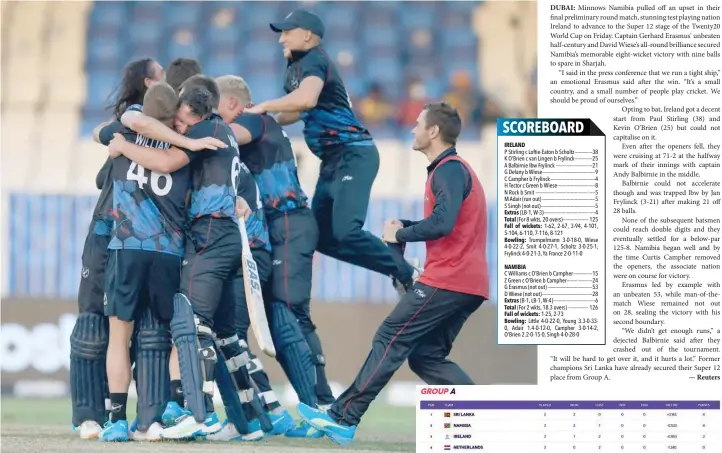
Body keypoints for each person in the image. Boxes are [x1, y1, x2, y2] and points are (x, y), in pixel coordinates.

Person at [296, 103, 489, 446]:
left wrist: (399, 235)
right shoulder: (455, 170)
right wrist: (407, 226)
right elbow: (449, 223)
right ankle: (489, 420)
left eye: (418, 124)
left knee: (389, 338)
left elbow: (442, 224)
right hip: (470, 284)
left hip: (448, 279)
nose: (412, 129)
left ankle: (343, 417)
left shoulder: (447, 170)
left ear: (433, 132)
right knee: (425, 356)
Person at [107, 83, 268, 440]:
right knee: (225, 334)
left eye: (180, 122)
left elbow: (163, 160)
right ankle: (251, 423)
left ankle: (200, 415)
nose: (176, 129)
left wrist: (121, 145)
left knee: (193, 326)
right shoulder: (219, 130)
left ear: (194, 116)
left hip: (207, 235)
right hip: (223, 234)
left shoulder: (203, 134)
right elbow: (246, 180)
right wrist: (242, 198)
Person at [246, 9, 418, 296]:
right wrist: (266, 121)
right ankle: (400, 270)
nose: (281, 40)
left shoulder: (315, 59)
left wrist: (264, 106)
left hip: (354, 154)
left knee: (347, 230)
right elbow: (297, 110)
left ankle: (408, 273)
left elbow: (307, 97)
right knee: (322, 238)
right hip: (333, 161)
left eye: (287, 32)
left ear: (308, 35)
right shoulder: (295, 67)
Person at [215, 75, 330, 439]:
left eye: (213, 106)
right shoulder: (263, 121)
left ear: (233, 104)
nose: (211, 117)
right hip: (276, 226)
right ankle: (303, 408)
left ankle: (319, 407)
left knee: (285, 312)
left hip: (288, 222)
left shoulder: (252, 120)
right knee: (271, 317)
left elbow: (228, 139)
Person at [97, 82, 201, 442]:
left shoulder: (124, 137)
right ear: (175, 113)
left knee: (119, 337)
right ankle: (166, 413)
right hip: (168, 252)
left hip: (126, 247)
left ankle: (115, 420)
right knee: (168, 336)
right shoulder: (184, 147)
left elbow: (108, 134)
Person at [70, 58, 165, 440]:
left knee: (152, 331)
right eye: (162, 78)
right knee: (92, 325)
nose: (169, 85)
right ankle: (89, 416)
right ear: (147, 83)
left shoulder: (175, 129)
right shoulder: (130, 119)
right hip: (107, 232)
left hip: (149, 239)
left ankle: (150, 418)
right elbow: (102, 132)